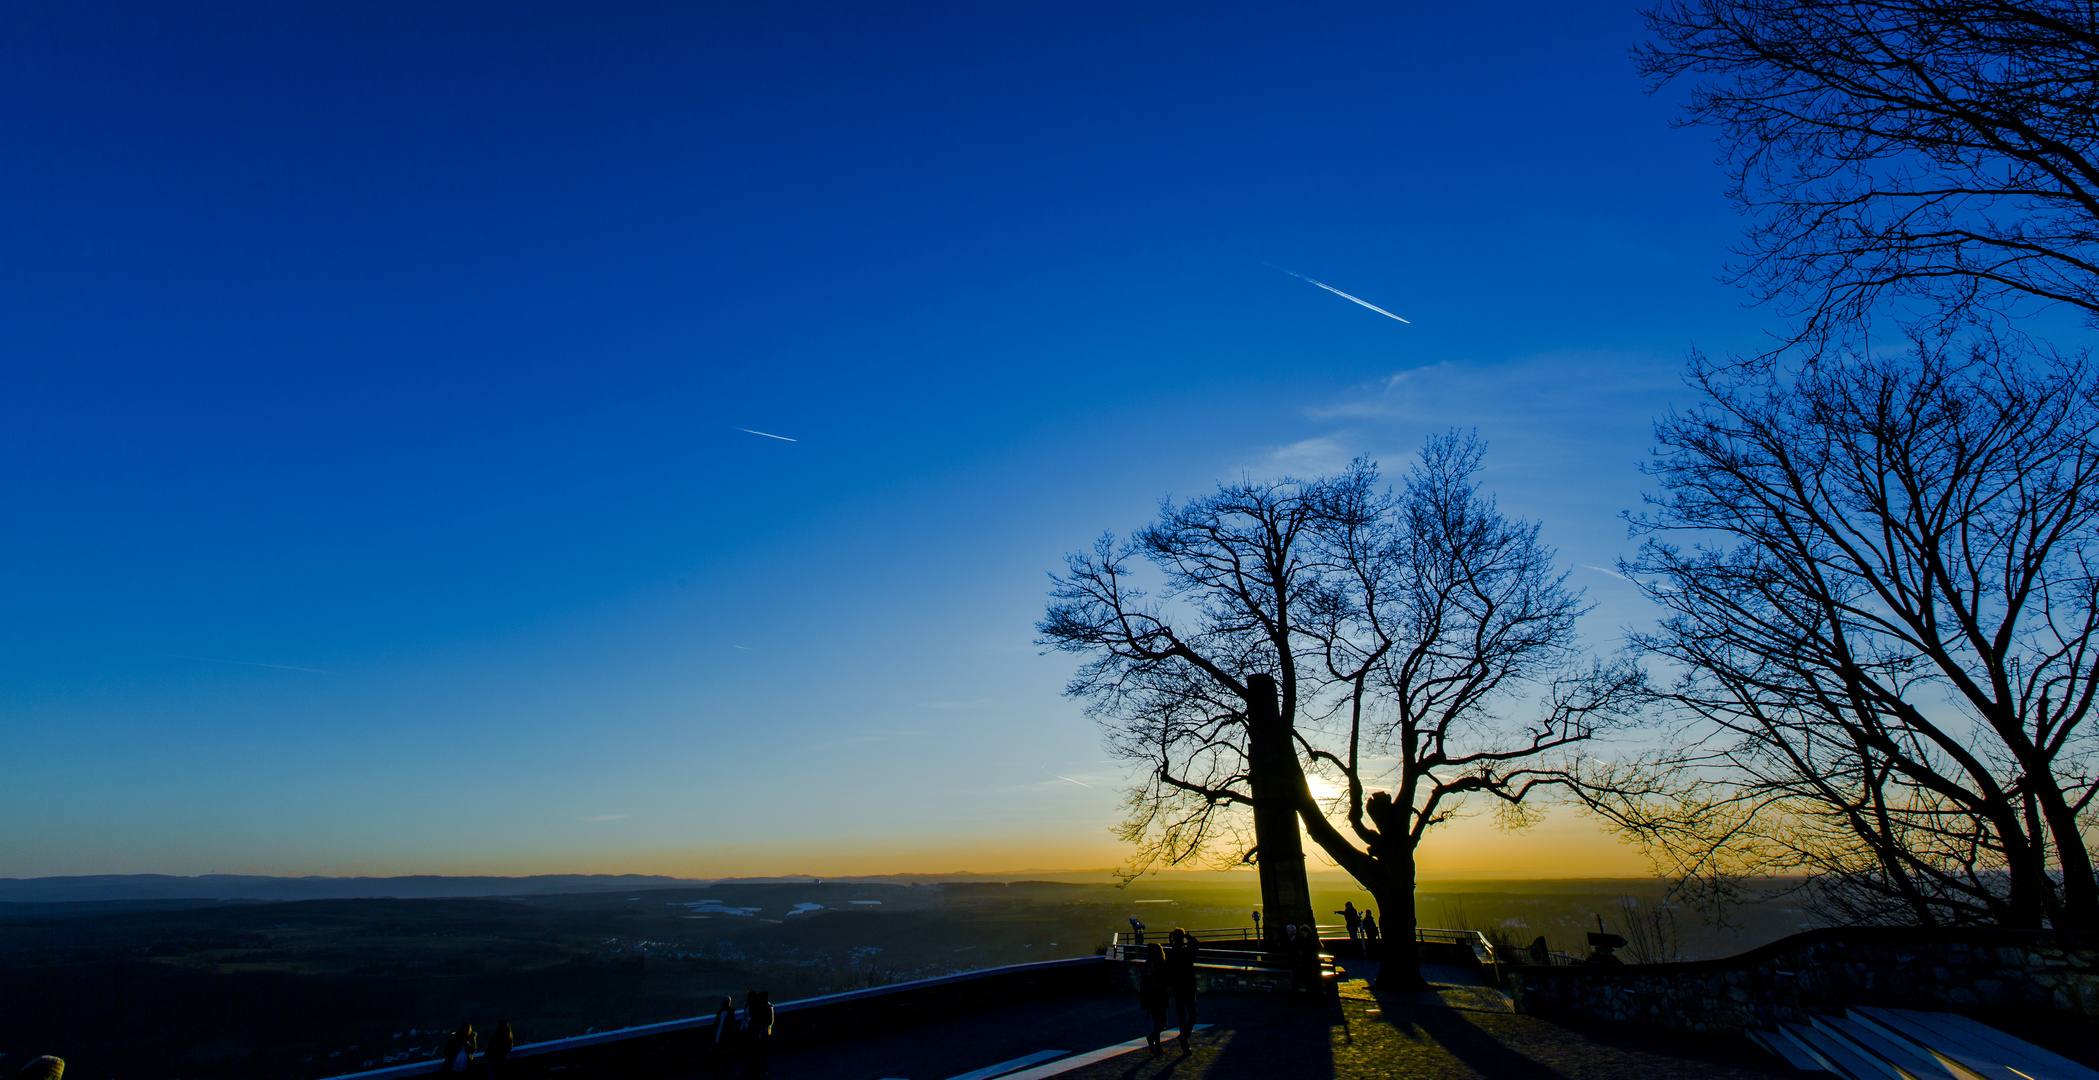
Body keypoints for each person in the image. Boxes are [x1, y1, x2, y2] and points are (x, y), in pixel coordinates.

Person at [1166, 928, 1200, 1051]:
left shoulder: (1170, 954)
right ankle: (1184, 1036)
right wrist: (1189, 937)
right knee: (1193, 1015)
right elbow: (1196, 945)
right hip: (1189, 986)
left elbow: (1167, 972)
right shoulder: (1187, 952)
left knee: (1181, 1016)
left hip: (1177, 988)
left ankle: (1184, 1042)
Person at [1138, 942, 1170, 1053]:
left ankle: (1158, 1047)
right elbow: (1165, 979)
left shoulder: (1148, 963)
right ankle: (1151, 1038)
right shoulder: (1160, 963)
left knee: (1156, 1021)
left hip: (1149, 996)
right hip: (1159, 995)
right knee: (1163, 1022)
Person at [741, 989, 774, 1078]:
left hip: (758, 1033)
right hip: (756, 1033)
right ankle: (758, 1070)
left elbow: (759, 1021)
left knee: (758, 1053)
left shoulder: (759, 1008)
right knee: (757, 1053)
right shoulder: (759, 1007)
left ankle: (758, 1070)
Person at [710, 995, 739, 1079]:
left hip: (722, 1038)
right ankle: (721, 1073)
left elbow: (727, 1026)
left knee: (721, 1057)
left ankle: (721, 1073)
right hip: (720, 1037)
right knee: (720, 1057)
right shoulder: (723, 1013)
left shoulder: (724, 1013)